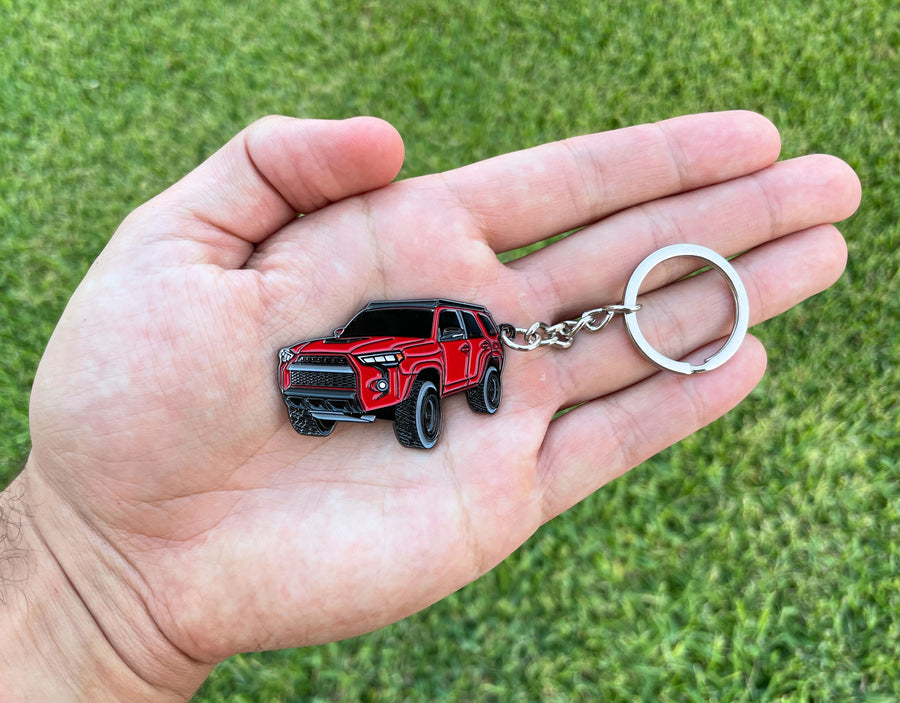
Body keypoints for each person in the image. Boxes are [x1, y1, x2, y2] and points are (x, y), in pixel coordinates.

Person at [0, 111, 860, 700]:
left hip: (430, 360)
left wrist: (90, 589)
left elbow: (421, 365)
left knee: (410, 381)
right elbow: (344, 356)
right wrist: (83, 555)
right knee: (329, 376)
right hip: (365, 366)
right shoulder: (358, 340)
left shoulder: (456, 342)